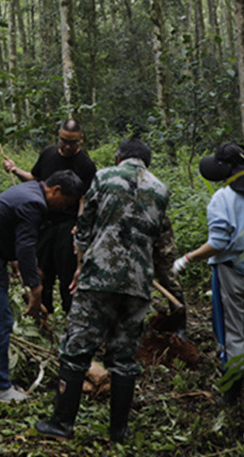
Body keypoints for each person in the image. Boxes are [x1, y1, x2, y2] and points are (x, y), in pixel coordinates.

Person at [36, 138, 178, 443]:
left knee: (76, 350)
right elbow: (164, 248)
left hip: (99, 279)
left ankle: (62, 424)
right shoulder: (161, 190)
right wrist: (173, 290)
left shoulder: (104, 177)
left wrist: (80, 263)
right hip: (138, 284)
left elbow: (84, 225)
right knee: (124, 358)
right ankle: (119, 431)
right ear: (147, 162)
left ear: (118, 157)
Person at [0, 170, 83, 403]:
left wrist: (14, 262)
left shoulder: (30, 190)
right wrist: (35, 288)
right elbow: (25, 246)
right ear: (56, 191)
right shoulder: (35, 203)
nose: (65, 208)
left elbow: (8, 230)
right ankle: (0, 390)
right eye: (67, 202)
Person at [172, 142, 244, 405]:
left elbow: (218, 243)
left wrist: (187, 258)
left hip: (232, 272)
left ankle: (232, 395)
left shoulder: (222, 199)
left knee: (232, 332)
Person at [3, 118, 97, 316]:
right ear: (59, 137)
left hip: (68, 225)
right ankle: (41, 314)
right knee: (41, 271)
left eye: (73, 143)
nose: (68, 146)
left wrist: (80, 226)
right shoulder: (48, 153)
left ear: (81, 140)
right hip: (44, 222)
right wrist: (15, 169)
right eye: (64, 141)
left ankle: (70, 318)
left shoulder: (86, 165)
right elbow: (36, 179)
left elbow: (85, 199)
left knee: (68, 275)